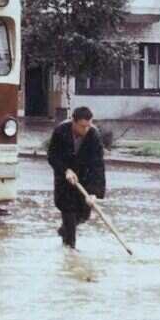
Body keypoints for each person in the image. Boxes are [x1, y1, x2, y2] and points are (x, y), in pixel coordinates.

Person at [46, 106, 106, 249]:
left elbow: (97, 165)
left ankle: (65, 230)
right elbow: (52, 156)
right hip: (64, 179)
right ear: (73, 121)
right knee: (69, 212)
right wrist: (65, 170)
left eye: (88, 126)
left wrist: (94, 192)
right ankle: (69, 250)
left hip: (84, 178)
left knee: (84, 214)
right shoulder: (61, 131)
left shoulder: (93, 135)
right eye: (81, 126)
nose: (85, 130)